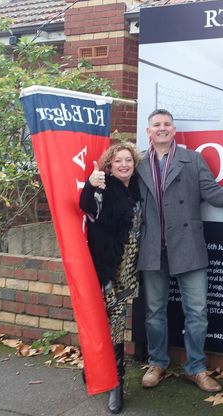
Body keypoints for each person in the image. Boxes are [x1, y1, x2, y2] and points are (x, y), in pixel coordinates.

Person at [135, 108, 223, 393]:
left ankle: (196, 368)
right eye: (156, 124)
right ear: (149, 131)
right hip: (152, 249)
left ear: (174, 130)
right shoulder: (138, 164)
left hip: (188, 246)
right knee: (153, 312)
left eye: (167, 124)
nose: (162, 128)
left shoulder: (193, 159)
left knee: (197, 312)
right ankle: (157, 363)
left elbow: (214, 194)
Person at [80, 142, 143, 414]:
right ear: (110, 165)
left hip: (132, 268)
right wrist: (90, 185)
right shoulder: (104, 187)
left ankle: (94, 367)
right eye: (118, 161)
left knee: (114, 321)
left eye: (128, 160)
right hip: (111, 269)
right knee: (113, 323)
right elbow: (86, 206)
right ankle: (116, 382)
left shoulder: (138, 188)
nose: (124, 165)